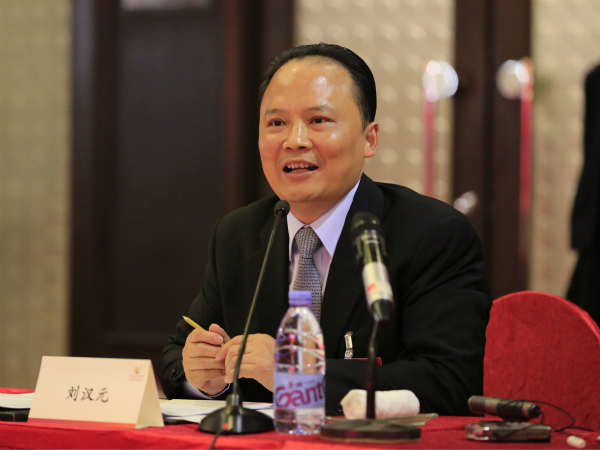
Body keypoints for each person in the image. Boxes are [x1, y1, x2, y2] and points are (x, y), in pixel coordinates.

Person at [159, 43, 491, 416]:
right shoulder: (238, 234)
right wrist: (202, 376)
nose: (295, 140)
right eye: (276, 123)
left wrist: (298, 376)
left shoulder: (431, 235)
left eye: (318, 120)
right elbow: (178, 354)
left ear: (369, 139)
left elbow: (449, 382)